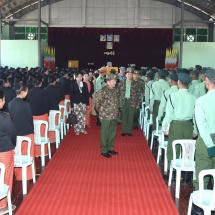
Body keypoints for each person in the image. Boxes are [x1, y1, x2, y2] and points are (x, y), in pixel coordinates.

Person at [162, 73, 196, 182]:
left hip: (176, 125)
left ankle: (172, 175)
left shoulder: (173, 96)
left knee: (173, 150)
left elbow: (169, 114)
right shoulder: (193, 97)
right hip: (188, 125)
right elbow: (195, 115)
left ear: (178, 82)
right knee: (188, 150)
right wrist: (195, 129)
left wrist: (165, 127)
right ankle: (186, 176)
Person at [192, 69, 215, 215]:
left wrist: (210, 144)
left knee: (202, 171)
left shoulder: (201, 101)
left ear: (206, 82)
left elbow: (201, 125)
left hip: (207, 139)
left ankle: (200, 207)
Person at [8, 85, 35, 181]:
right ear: (22, 92)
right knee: (27, 153)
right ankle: (28, 176)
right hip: (27, 130)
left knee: (18, 154)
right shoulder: (25, 104)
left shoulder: (10, 104)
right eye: (26, 91)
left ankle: (18, 175)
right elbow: (29, 118)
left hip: (15, 131)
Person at [94, 74, 119, 158]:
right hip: (106, 115)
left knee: (112, 132)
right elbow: (97, 103)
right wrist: (102, 112)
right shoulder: (103, 90)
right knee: (105, 133)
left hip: (114, 115)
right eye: (113, 81)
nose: (115, 82)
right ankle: (104, 150)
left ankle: (110, 148)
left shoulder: (115, 90)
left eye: (115, 81)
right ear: (108, 82)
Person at [0, 90, 16, 211]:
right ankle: (3, 205)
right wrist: (13, 144)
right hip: (5, 149)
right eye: (3, 99)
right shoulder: (4, 117)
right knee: (6, 175)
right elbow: (12, 133)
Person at [118, 68, 141, 136]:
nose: (129, 76)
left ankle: (129, 131)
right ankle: (124, 131)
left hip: (132, 101)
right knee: (124, 116)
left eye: (131, 74)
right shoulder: (121, 83)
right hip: (124, 101)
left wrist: (137, 104)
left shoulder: (136, 84)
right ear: (126, 75)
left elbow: (138, 94)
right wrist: (118, 102)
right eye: (128, 74)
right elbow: (118, 93)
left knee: (131, 116)